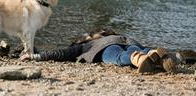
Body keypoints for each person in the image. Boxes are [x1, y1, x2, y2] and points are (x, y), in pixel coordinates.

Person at [20, 28, 181, 73]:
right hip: (128, 40)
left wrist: (35, 56)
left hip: (106, 47)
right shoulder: (117, 35)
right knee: (141, 48)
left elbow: (62, 54)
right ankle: (158, 56)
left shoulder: (89, 44)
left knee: (119, 56)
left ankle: (137, 59)